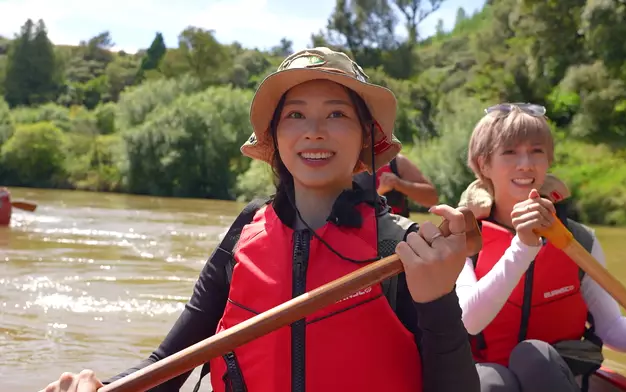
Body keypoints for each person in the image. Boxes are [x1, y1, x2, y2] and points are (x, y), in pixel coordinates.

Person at [39, 47, 479, 392]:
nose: (314, 130)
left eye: (337, 113)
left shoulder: (402, 251)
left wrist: (438, 300)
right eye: (295, 115)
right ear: (276, 137)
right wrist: (104, 388)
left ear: (367, 137)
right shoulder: (244, 232)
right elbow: (166, 367)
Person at [455, 102, 626, 392]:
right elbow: (469, 321)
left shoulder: (580, 240)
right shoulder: (464, 238)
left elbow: (611, 328)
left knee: (535, 357)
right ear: (484, 164)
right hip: (488, 376)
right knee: (492, 381)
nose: (526, 164)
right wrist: (523, 246)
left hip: (552, 375)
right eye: (510, 152)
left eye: (536, 151)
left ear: (548, 161)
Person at [354, 153, 438, 217]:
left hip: (398, 235)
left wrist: (400, 184)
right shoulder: (346, 165)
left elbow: (432, 199)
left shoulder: (396, 162)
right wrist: (380, 193)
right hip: (362, 236)